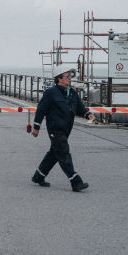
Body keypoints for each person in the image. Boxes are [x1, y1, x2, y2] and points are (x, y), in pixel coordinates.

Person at [31, 64, 96, 192]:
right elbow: (41, 110)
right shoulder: (51, 93)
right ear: (59, 78)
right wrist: (36, 127)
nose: (70, 78)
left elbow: (80, 107)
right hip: (55, 129)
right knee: (63, 152)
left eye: (70, 75)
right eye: (67, 75)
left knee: (55, 153)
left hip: (66, 129)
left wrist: (88, 114)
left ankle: (39, 176)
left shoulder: (72, 93)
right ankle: (75, 181)